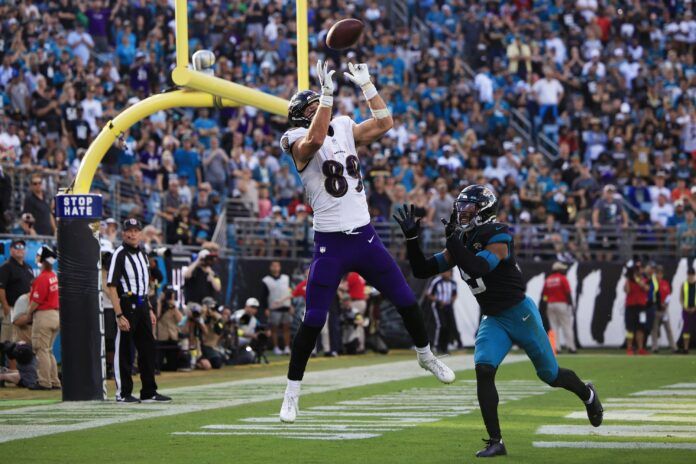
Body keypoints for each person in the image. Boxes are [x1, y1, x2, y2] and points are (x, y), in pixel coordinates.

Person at [277, 60, 454, 423]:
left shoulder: (342, 125)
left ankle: (425, 355)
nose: (318, 110)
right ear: (298, 116)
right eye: (309, 109)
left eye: (318, 105)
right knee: (313, 318)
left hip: (365, 235)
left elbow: (385, 123)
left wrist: (368, 85)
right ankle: (292, 393)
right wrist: (325, 96)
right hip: (330, 242)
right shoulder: (295, 139)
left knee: (406, 298)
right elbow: (313, 139)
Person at [394, 185, 602, 457]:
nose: (462, 212)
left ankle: (587, 395)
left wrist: (454, 243)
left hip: (520, 314)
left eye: (469, 207)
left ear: (485, 210)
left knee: (550, 375)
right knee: (483, 369)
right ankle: (496, 441)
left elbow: (479, 267)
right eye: (461, 206)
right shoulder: (463, 240)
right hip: (494, 319)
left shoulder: (498, 234)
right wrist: (412, 240)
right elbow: (422, 270)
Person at [106, 218, 171, 403]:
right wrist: (119, 314)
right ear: (123, 233)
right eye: (129, 230)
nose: (132, 234)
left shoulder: (142, 253)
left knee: (148, 349)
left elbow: (145, 284)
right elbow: (111, 287)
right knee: (125, 350)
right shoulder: (119, 254)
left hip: (142, 304)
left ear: (141, 234)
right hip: (127, 303)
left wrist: (149, 308)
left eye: (136, 230)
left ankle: (149, 391)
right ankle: (123, 393)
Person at [26, 246, 61, 390]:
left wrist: (28, 313)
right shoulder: (53, 275)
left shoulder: (42, 278)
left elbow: (36, 301)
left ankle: (44, 382)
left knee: (41, 349)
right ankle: (54, 381)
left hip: (44, 315)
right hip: (55, 315)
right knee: (49, 349)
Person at [0, 239, 35, 366]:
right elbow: (1, 288)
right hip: (11, 307)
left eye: (22, 247)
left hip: (25, 310)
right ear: (11, 250)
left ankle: (22, 371)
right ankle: (11, 371)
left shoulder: (28, 267)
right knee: (10, 341)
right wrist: (5, 306)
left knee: (23, 340)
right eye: (16, 247)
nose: (20, 249)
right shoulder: (6, 267)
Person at [542, 262, 576, 353]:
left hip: (550, 305)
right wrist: (571, 304)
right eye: (563, 269)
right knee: (567, 326)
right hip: (561, 304)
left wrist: (546, 304)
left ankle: (555, 348)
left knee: (553, 327)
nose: (564, 270)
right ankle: (571, 347)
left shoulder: (548, 280)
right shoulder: (563, 279)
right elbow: (568, 292)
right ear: (558, 269)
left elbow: (544, 295)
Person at [261, 261, 293, 355]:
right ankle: (276, 347)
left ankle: (287, 347)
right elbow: (264, 295)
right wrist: (266, 308)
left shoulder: (285, 278)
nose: (275, 268)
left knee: (286, 328)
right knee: (274, 328)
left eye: (277, 266)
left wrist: (290, 305)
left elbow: (290, 292)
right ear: (270, 268)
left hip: (286, 306)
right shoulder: (266, 280)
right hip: (274, 307)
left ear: (280, 267)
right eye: (273, 266)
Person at [427, 270, 458, 354]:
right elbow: (429, 294)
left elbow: (455, 294)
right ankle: (436, 346)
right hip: (438, 307)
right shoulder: (437, 281)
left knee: (449, 326)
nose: (445, 273)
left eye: (447, 272)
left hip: (448, 307)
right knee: (441, 325)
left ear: (451, 273)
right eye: (444, 272)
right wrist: (438, 300)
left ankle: (445, 347)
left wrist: (452, 300)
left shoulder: (453, 283)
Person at [624, 261, 650, 355]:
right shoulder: (630, 280)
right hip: (631, 306)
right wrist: (628, 279)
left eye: (640, 268)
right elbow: (627, 291)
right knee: (630, 329)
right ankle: (629, 348)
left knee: (641, 328)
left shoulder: (644, 279)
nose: (639, 270)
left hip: (641, 307)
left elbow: (646, 288)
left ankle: (640, 349)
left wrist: (637, 280)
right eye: (637, 269)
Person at [650, 265, 677, 353]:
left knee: (668, 329)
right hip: (656, 309)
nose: (659, 275)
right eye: (657, 273)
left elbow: (668, 295)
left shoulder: (665, 283)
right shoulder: (653, 283)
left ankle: (673, 347)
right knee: (654, 330)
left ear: (662, 274)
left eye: (660, 273)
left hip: (664, 310)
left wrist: (665, 304)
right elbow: (651, 296)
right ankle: (655, 347)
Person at [156, 285, 183, 372]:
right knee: (158, 365)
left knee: (173, 367)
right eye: (168, 293)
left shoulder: (174, 306)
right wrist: (160, 302)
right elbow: (156, 316)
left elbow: (181, 320)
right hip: (161, 337)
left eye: (171, 293)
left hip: (172, 336)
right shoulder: (158, 303)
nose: (170, 295)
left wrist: (174, 306)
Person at [679, 268, 696, 354]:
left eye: (692, 275)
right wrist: (684, 307)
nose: (691, 276)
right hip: (686, 310)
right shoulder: (684, 284)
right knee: (686, 329)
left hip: (695, 309)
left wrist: (694, 308)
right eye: (689, 275)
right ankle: (686, 348)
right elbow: (681, 297)